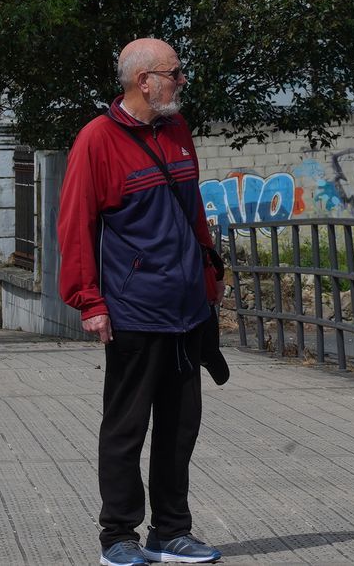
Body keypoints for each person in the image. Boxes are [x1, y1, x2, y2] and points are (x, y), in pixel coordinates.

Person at [58, 38, 223, 566]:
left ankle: (171, 531)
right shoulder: (97, 141)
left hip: (187, 309)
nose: (181, 81)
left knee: (180, 428)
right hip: (134, 311)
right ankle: (118, 537)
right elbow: (76, 225)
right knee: (126, 427)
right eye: (174, 73)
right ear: (142, 80)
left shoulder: (177, 130)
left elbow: (192, 208)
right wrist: (90, 301)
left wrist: (209, 270)